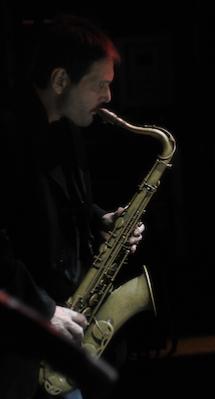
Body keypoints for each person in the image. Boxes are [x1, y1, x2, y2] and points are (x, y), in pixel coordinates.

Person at [0, 15, 144, 398]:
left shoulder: (66, 129)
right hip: (19, 350)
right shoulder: (9, 136)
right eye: (101, 85)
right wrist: (44, 310)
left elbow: (58, 207)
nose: (109, 98)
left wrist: (99, 221)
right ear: (61, 80)